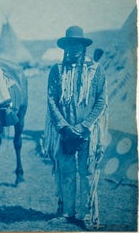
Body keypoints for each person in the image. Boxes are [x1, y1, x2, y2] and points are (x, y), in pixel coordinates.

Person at [43, 26, 108, 230]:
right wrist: (63, 125)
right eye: (70, 44)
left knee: (87, 173)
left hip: (87, 132)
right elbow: (51, 99)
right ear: (65, 47)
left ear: (83, 46)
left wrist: (84, 124)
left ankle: (87, 215)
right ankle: (67, 213)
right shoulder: (57, 69)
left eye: (77, 44)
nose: (74, 48)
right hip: (64, 132)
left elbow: (101, 100)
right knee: (66, 173)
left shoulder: (96, 70)